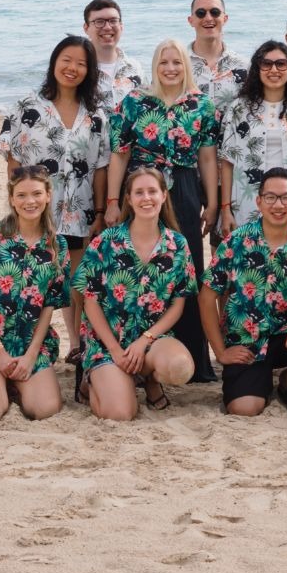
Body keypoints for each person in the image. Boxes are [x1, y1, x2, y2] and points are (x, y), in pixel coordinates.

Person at [108, 39, 221, 383]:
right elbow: (120, 153)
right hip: (142, 186)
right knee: (139, 262)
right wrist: (113, 201)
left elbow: (206, 156)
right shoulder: (135, 102)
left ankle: (194, 360)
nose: (170, 68)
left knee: (184, 266)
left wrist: (213, 202)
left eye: (176, 62)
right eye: (163, 62)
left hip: (185, 188)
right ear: (154, 66)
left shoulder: (200, 105)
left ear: (185, 66)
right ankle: (134, 352)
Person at [0, 34, 109, 360]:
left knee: (76, 279)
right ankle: (30, 342)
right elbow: (12, 156)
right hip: (36, 208)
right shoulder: (26, 107)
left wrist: (100, 211)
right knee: (37, 275)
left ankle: (76, 343)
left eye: (81, 63)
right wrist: (19, 202)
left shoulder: (97, 114)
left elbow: (101, 166)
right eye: (66, 60)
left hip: (80, 208)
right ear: (54, 62)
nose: (72, 68)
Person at [200, 167, 287, 414]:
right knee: (244, 409)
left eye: (286, 197)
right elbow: (207, 297)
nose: (278, 205)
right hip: (246, 342)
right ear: (259, 201)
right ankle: (256, 383)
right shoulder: (236, 242)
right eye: (271, 197)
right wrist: (220, 351)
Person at [74, 167, 198, 419]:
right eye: (138, 192)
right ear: (128, 199)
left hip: (151, 340)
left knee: (180, 368)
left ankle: (148, 377)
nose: (146, 198)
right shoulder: (106, 242)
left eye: (152, 191)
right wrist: (116, 350)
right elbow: (90, 301)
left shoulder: (177, 245)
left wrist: (145, 340)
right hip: (107, 343)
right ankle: (94, 381)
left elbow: (177, 304)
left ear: (164, 195)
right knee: (119, 413)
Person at [0, 168, 69, 422]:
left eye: (37, 193)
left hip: (29, 342)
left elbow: (49, 306)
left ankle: (9, 382)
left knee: (44, 409)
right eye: (22, 195)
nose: (30, 201)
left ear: (48, 195)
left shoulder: (57, 246)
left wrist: (30, 356)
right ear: (11, 199)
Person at [217, 41, 287, 236]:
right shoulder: (239, 108)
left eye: (281, 64)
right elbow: (227, 162)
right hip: (246, 202)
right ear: (257, 68)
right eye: (266, 64)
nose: (274, 70)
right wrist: (226, 209)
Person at [187, 0, 244, 103]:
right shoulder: (176, 64)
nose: (208, 18)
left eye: (215, 12)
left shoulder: (244, 66)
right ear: (191, 20)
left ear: (225, 18)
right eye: (201, 13)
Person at [83, 0, 141, 106]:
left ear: (121, 26)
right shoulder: (77, 69)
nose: (107, 27)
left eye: (113, 21)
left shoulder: (135, 67)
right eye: (99, 22)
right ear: (86, 28)